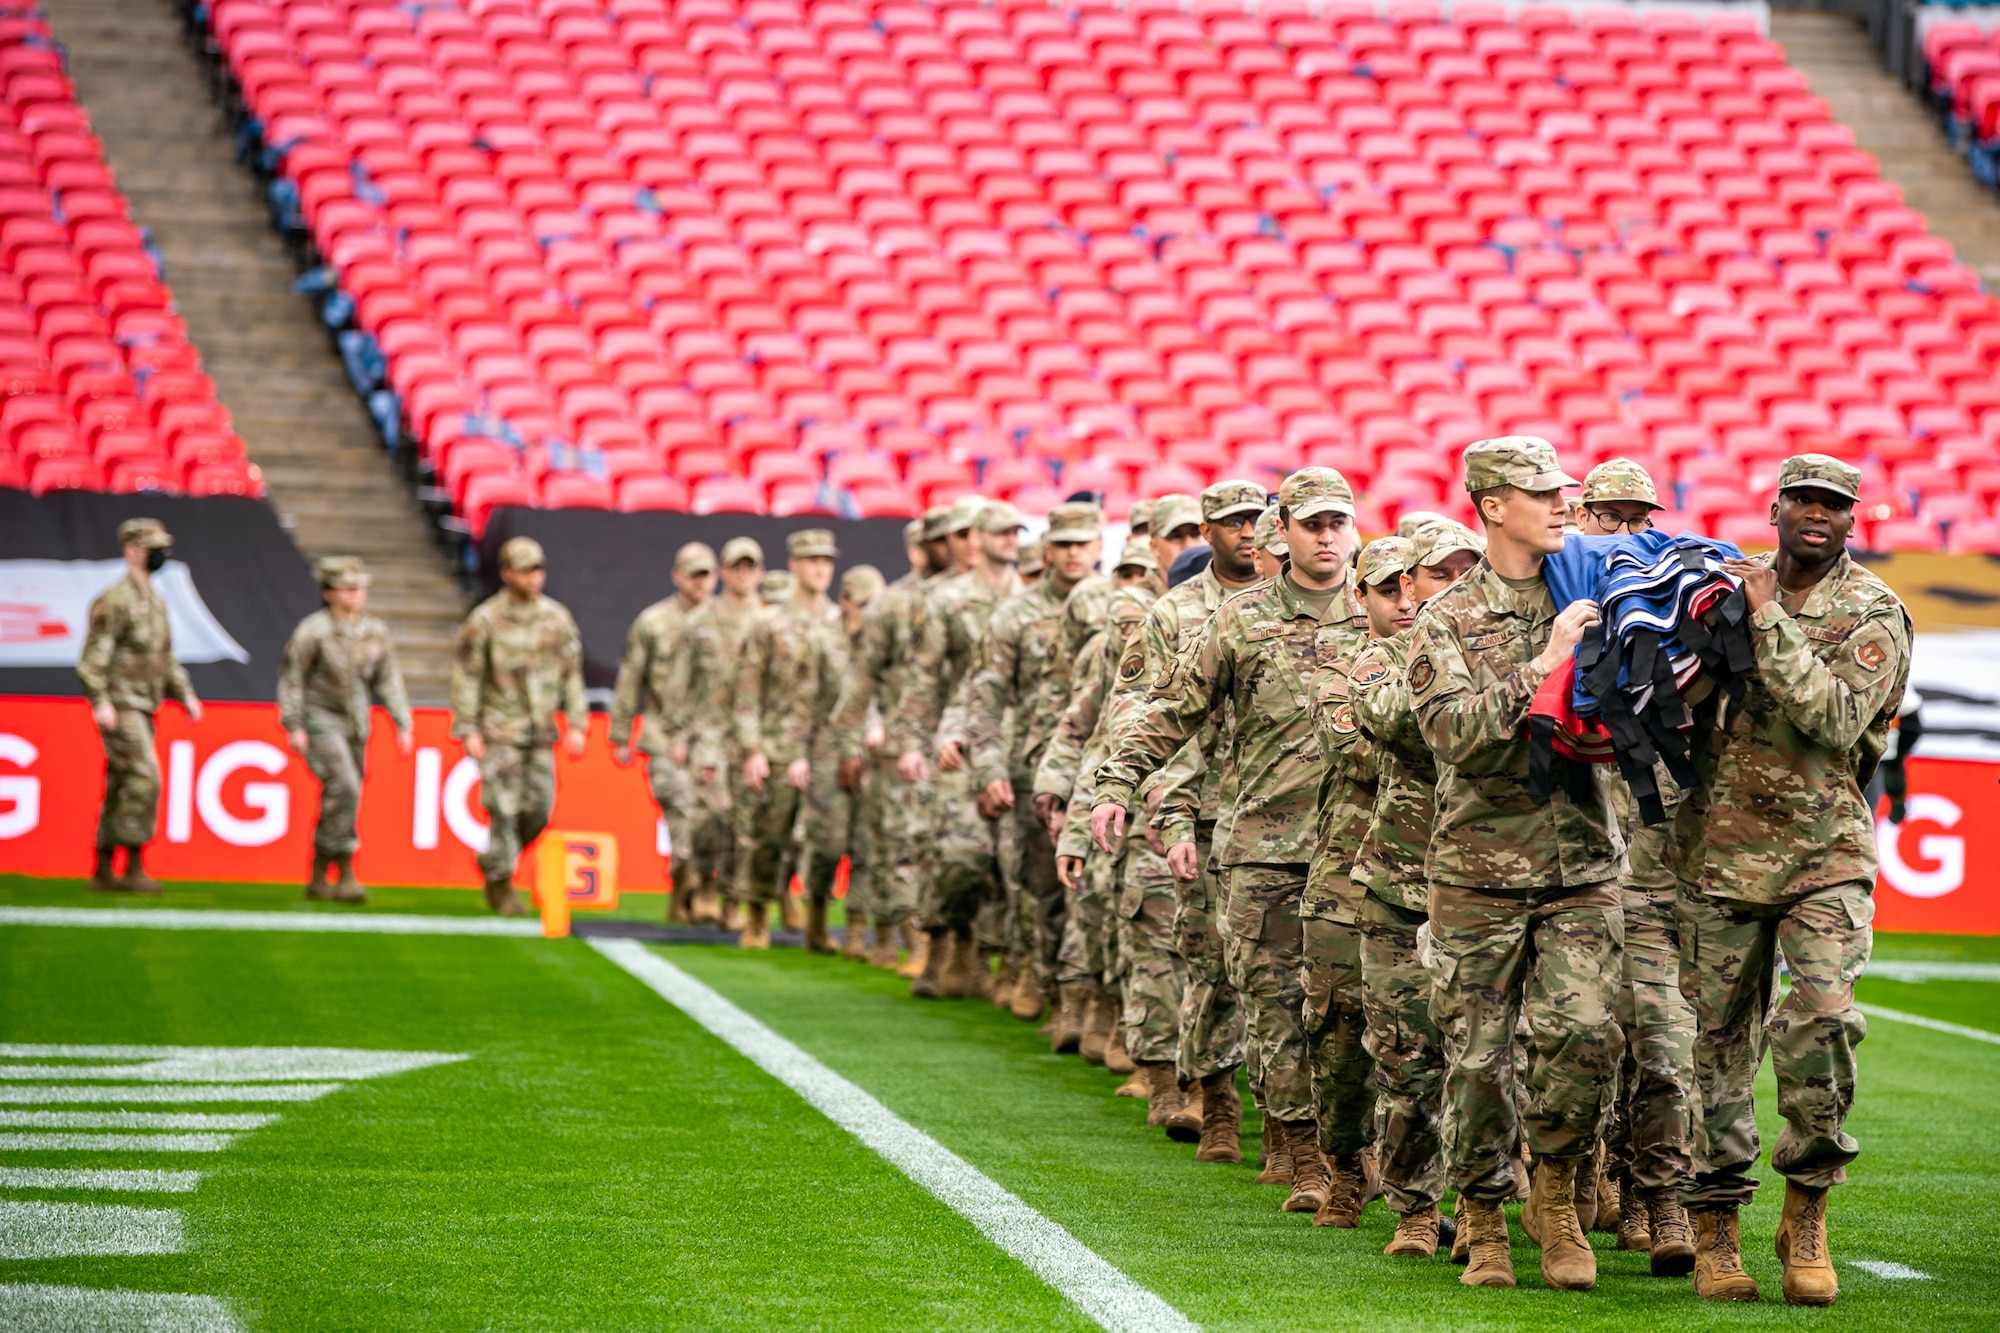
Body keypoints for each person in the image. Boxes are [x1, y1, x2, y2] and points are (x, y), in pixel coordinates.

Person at [1095, 468, 1369, 1212]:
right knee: (1276, 1011)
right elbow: (1170, 711)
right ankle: (1307, 1158)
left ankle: (1358, 1159)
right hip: (1261, 852)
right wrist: (1118, 783)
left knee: (1354, 1013)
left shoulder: (1385, 612)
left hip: (1359, 853)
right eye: (1311, 524)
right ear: (1283, 530)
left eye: (1338, 522)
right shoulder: (1240, 621)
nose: (1326, 537)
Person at [1672, 454, 1912, 1306]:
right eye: (1804, 500)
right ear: (1775, 507)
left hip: (1825, 856)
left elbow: (1838, 719)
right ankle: (1716, 1227)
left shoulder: (1872, 610)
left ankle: (1807, 1209)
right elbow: (1667, 706)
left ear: (1852, 521)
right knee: (1715, 1048)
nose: (1818, 514)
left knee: (1820, 1025)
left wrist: (1765, 621)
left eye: (1835, 506)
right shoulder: (1715, 592)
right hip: (1717, 855)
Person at [1407, 436, 1625, 1291]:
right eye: (1542, 491)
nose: (1563, 502)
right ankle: (1487, 1218)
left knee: (1581, 1037)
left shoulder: (1593, 588)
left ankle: (1560, 1197)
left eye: (1564, 488)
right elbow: (1453, 734)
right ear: (1493, 504)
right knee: (1476, 1059)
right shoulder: (1448, 618)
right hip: (1477, 869)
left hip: (1581, 865)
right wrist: (1545, 664)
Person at [1103, 485, 1260, 1161]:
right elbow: (1147, 715)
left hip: (1277, 811)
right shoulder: (1173, 613)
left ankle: (1288, 1128)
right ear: (1207, 531)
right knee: (1207, 960)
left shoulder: (1295, 605)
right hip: (1201, 806)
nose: (1247, 532)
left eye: (1257, 520)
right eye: (1234, 522)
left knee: (1277, 972)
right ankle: (1211, 1096)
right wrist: (1167, 811)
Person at [1346, 522, 1484, 1257]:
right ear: (1410, 586)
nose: (1453, 584)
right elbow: (1403, 722)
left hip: (1491, 883)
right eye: (1438, 574)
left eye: (1469, 570)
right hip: (1402, 882)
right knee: (1407, 1058)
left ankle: (1481, 1206)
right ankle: (1414, 1207)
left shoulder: (1507, 648)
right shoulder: (1378, 658)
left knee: (1489, 1058)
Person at [1575, 458, 1699, 1271]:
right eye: (1608, 516)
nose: (1624, 532)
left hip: (1655, 876)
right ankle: (1579, 1179)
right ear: (1579, 515)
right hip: (1570, 870)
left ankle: (1661, 1197)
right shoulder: (1554, 609)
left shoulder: (1679, 618)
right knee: (1576, 1044)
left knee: (1662, 1044)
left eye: (1637, 517)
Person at [965, 502, 1104, 1037]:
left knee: (1097, 890)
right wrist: (988, 767)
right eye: (1063, 544)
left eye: (1082, 544)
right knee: (1039, 886)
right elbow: (985, 697)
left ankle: (1085, 1000)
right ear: (1047, 550)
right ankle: (1044, 982)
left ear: (1097, 547)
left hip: (1099, 766)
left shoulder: (1118, 608)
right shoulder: (1014, 615)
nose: (1073, 554)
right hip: (1033, 766)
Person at [892, 497, 1023, 997]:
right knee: (957, 856)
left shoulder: (1027, 596)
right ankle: (947, 943)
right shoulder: (945, 600)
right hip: (956, 740)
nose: (1004, 541)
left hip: (1016, 739)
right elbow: (923, 679)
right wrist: (911, 742)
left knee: (1008, 862)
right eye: (970, 535)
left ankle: (998, 963)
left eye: (1013, 532)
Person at [450, 536, 587, 916]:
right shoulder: (485, 620)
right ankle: (502, 880)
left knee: (539, 809)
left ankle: (495, 861)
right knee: (503, 808)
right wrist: (469, 727)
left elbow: (571, 675)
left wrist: (577, 723)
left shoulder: (556, 619)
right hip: (499, 729)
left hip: (541, 731)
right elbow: (469, 676)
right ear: (507, 572)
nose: (534, 577)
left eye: (538, 569)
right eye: (526, 570)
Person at [830, 516, 943, 973]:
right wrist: (859, 734)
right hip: (896, 743)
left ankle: (940, 947)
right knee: (892, 845)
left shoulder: (968, 598)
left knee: (936, 849)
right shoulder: (892, 605)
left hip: (950, 743)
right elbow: (865, 681)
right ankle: (904, 939)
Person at [733, 529, 849, 951]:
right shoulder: (768, 622)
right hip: (778, 744)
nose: (821, 568)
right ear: (795, 565)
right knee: (769, 837)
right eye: (812, 560)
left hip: (827, 750)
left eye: (827, 560)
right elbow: (747, 690)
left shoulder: (842, 622)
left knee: (828, 840)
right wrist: (752, 749)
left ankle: (819, 921)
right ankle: (758, 916)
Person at [78, 516, 202, 895]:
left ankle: (103, 866)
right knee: (147, 777)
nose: (162, 555)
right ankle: (132, 863)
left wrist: (186, 695)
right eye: (154, 549)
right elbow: (93, 658)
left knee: (121, 783)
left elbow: (165, 658)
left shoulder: (156, 601)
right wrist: (101, 700)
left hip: (145, 704)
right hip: (121, 704)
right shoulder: (115, 600)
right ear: (132, 551)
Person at [278, 555, 413, 903]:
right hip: (320, 718)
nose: (356, 595)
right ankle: (346, 868)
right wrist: (294, 724)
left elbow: (389, 680)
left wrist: (402, 722)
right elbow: (292, 679)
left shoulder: (374, 631)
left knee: (344, 795)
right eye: (348, 588)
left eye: (360, 588)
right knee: (345, 785)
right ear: (329, 592)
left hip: (357, 722)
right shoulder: (313, 631)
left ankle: (321, 870)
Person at [609, 542, 718, 924]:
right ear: (677, 577)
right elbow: (630, 678)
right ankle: (683, 879)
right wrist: (620, 733)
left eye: (707, 575)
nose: (701, 583)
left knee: (712, 816)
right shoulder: (652, 623)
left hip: (712, 737)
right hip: (662, 732)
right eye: (694, 575)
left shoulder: (724, 622)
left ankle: (701, 883)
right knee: (678, 805)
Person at [685, 537, 769, 931]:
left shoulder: (771, 621)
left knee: (746, 824)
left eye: (751, 567)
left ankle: (733, 899)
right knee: (710, 817)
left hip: (753, 733)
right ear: (723, 572)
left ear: (761, 573)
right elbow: (680, 684)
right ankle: (703, 884)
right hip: (710, 731)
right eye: (737, 566)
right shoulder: (699, 622)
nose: (744, 573)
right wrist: (677, 735)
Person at [812, 562, 886, 959]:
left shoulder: (883, 644)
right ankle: (818, 913)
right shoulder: (823, 640)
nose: (869, 612)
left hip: (873, 755)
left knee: (867, 845)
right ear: (844, 602)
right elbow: (805, 701)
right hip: (826, 752)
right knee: (828, 843)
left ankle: (856, 929)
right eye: (862, 604)